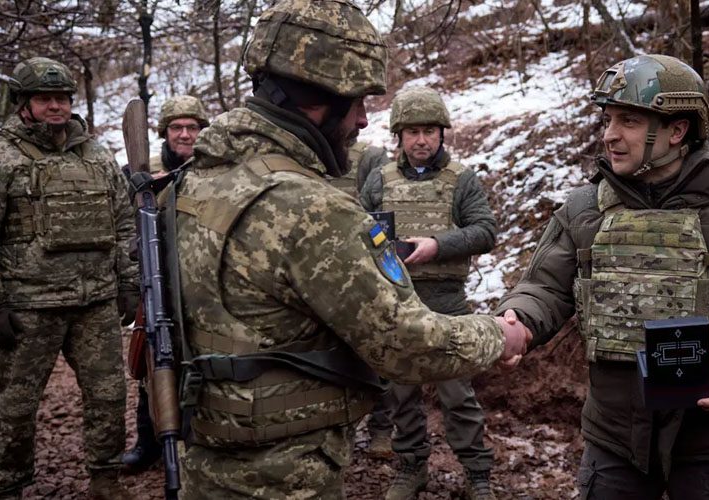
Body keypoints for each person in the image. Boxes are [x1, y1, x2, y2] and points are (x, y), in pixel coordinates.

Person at [170, 1, 530, 498]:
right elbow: (405, 343)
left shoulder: (194, 181)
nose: (363, 120)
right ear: (320, 97)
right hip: (287, 475)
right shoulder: (308, 207)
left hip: (205, 462)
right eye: (358, 101)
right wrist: (498, 334)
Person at [495, 54, 709, 499]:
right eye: (608, 119)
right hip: (613, 441)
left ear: (677, 130)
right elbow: (545, 287)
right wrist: (517, 320)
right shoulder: (584, 208)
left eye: (629, 121)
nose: (609, 135)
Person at [0, 57, 137, 499]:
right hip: (29, 308)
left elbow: (124, 223)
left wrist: (129, 281)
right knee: (17, 406)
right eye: (44, 99)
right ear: (23, 103)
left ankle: (106, 479)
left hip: (95, 303)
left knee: (109, 396)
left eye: (62, 98)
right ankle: (8, 486)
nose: (55, 107)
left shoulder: (97, 154)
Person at [360, 86, 499, 500]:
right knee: (401, 393)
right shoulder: (379, 179)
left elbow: (485, 230)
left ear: (442, 133)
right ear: (399, 136)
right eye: (412, 132)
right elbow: (358, 229)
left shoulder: (461, 179)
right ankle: (410, 467)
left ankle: (477, 473)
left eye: (429, 132)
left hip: (447, 301)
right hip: (397, 300)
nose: (421, 140)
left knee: (458, 394)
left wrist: (438, 245)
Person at [121, 94, 209, 473]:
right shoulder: (141, 171)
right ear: (164, 132)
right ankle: (148, 440)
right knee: (150, 356)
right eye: (176, 127)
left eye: (192, 127)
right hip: (155, 279)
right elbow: (121, 227)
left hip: (197, 279)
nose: (185, 134)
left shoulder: (214, 171)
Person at [326, 137, 397, 457]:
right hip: (315, 269)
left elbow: (382, 215)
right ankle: (342, 428)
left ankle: (381, 428)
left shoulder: (369, 157)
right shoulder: (303, 152)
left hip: (363, 269)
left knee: (376, 350)